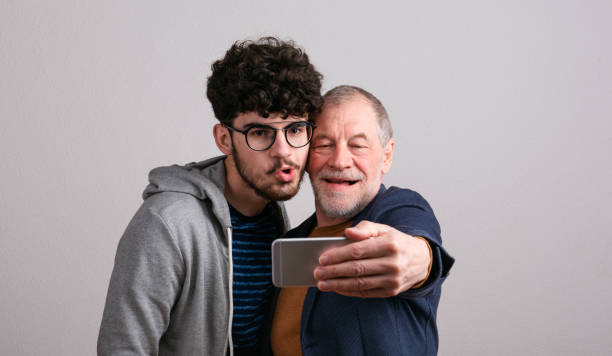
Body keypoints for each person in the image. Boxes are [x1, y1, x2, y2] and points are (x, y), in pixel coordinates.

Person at [98, 38, 432, 355]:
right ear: (225, 139)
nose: (283, 152)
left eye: (295, 130)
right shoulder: (168, 223)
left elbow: (415, 235)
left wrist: (424, 260)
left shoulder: (277, 223)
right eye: (260, 132)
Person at [265, 85, 455, 356]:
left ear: (386, 155)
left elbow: (419, 247)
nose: (340, 160)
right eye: (324, 145)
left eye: (358, 145)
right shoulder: (288, 242)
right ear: (307, 156)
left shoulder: (399, 210)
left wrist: (420, 260)